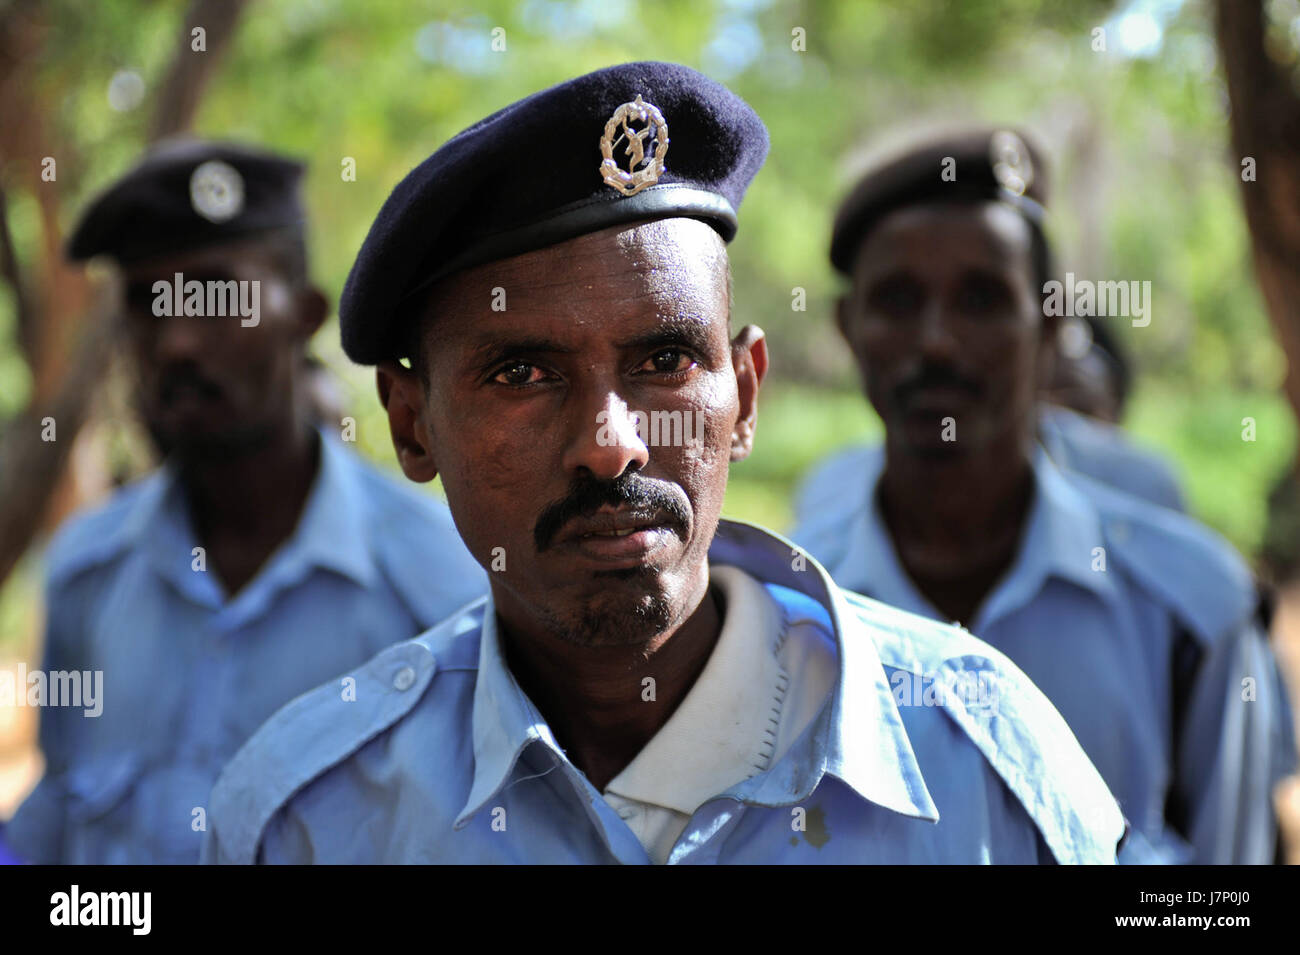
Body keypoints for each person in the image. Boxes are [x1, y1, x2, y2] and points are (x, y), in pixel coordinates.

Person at [203, 64, 1123, 865]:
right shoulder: (307, 820)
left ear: (746, 397)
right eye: (523, 372)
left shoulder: (990, 765)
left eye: (665, 361)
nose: (613, 443)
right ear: (412, 427)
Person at [791, 127, 1295, 863]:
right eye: (897, 299)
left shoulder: (1191, 609)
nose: (936, 341)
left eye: (982, 298)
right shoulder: (790, 610)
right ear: (847, 327)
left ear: (1052, 325)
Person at [5, 140, 487, 864]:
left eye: (217, 296)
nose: (176, 343)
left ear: (307, 314)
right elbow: (55, 820)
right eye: (146, 305)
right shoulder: (87, 571)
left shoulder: (446, 589)